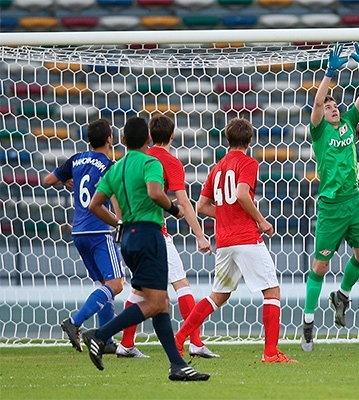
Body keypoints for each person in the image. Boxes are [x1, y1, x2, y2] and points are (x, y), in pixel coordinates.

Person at [85, 116, 210, 381]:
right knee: (156, 302)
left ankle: (177, 365)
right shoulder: (150, 163)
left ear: (122, 140)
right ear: (148, 139)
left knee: (160, 302)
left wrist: (117, 223)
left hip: (128, 238)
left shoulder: (116, 168)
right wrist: (173, 209)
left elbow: (94, 205)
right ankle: (100, 334)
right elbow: (155, 192)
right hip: (148, 234)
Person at [174, 117, 296, 363]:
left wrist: (227, 215)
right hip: (246, 238)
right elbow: (241, 193)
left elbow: (201, 206)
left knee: (218, 295)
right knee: (271, 290)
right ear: (250, 140)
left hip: (225, 241)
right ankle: (270, 353)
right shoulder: (248, 162)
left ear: (228, 140)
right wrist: (261, 220)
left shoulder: (218, 167)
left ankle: (179, 339)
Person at [117, 114, 216, 359]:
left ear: (150, 136)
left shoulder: (138, 158)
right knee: (181, 284)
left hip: (132, 233)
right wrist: (200, 235)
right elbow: (184, 202)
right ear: (173, 135)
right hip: (155, 234)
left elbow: (116, 194)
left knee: (139, 290)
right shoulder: (169, 162)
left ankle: (126, 344)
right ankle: (195, 341)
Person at [301, 40, 359, 352]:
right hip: (331, 207)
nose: (333, 108)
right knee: (320, 267)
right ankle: (308, 322)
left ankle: (342, 295)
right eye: (329, 106)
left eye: (335, 106)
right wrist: (329, 74)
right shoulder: (319, 131)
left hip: (354, 202)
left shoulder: (349, 122)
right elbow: (317, 103)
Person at [42, 118, 124, 355]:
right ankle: (74, 322)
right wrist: (120, 223)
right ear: (109, 139)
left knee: (105, 285)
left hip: (78, 232)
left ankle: (106, 340)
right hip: (99, 231)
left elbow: (48, 180)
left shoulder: (76, 159)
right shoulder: (109, 165)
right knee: (116, 284)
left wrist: (67, 181)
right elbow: (114, 197)